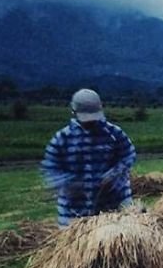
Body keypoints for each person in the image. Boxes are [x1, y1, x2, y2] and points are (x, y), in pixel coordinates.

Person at [41, 89, 136, 228]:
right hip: (74, 211)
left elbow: (129, 155)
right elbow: (50, 168)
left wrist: (114, 175)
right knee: (78, 247)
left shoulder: (114, 133)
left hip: (113, 205)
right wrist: (70, 183)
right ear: (74, 112)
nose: (90, 123)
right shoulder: (62, 138)